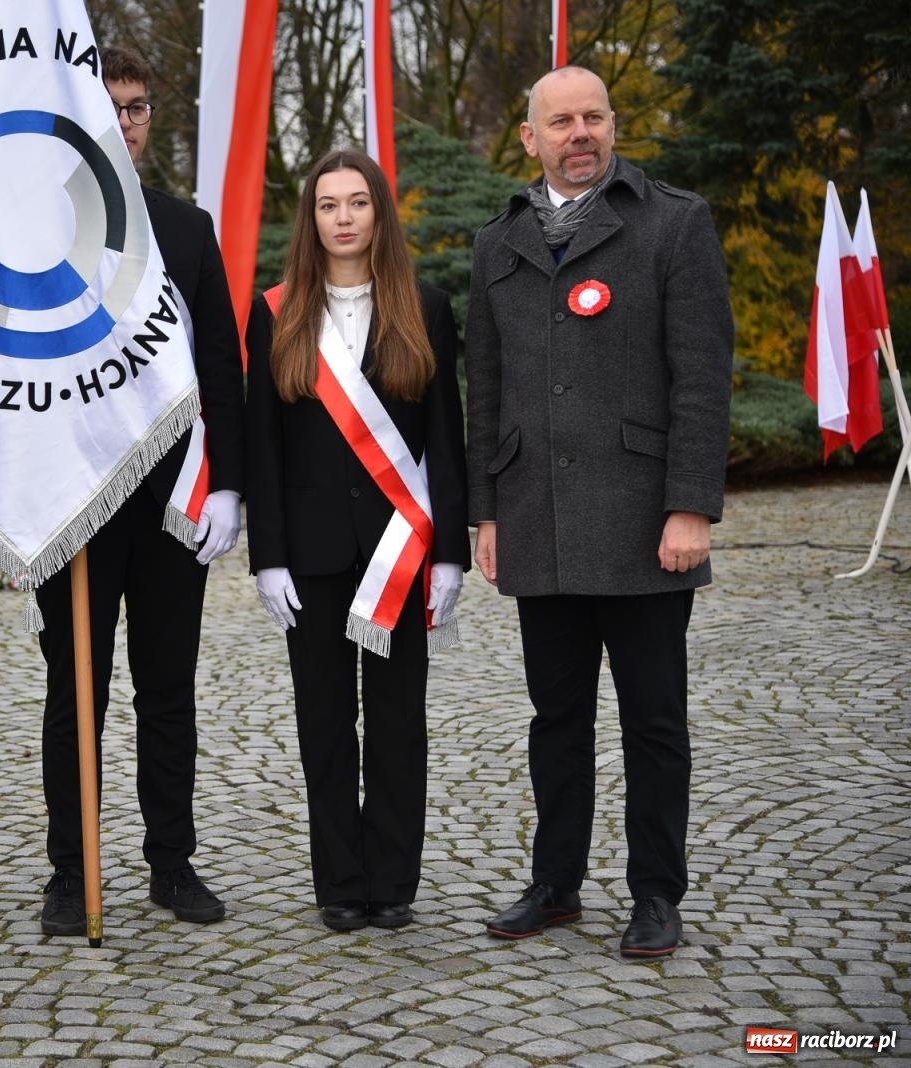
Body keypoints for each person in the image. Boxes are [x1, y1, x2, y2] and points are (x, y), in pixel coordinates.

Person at [465, 66, 733, 956]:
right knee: (556, 719)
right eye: (560, 121)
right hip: (535, 516)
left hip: (643, 520)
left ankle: (656, 893)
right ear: (530, 137)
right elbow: (487, 387)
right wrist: (486, 511)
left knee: (654, 721)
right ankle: (556, 883)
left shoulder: (674, 223)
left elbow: (701, 377)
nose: (579, 133)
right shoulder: (496, 242)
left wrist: (690, 506)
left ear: (613, 127)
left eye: (593, 117)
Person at [34, 46, 246, 936]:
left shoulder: (187, 229)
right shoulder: (37, 231)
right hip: (75, 502)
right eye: (109, 107)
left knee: (168, 689)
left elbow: (221, 367)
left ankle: (172, 860)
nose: (126, 122)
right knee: (72, 693)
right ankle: (70, 872)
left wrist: (229, 483)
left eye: (138, 107)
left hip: (170, 500)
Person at [245, 149, 468, 932]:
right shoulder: (274, 313)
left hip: (400, 551)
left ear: (380, 214)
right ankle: (340, 882)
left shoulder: (426, 307)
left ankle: (392, 883)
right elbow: (261, 445)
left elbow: (447, 438)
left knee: (400, 724)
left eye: (358, 203)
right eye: (328, 205)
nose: (343, 218)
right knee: (325, 723)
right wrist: (267, 556)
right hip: (310, 558)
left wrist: (449, 553)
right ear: (311, 219)